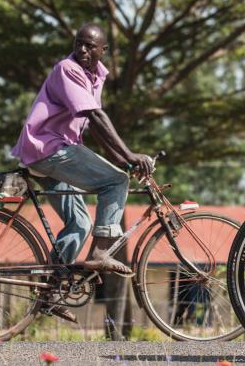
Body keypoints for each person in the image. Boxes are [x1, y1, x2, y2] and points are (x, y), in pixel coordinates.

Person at [11, 23, 154, 321]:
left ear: (103, 51)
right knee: (116, 181)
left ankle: (50, 294)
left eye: (91, 46)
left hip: (51, 151)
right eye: (79, 44)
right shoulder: (68, 68)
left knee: (78, 224)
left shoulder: (97, 75)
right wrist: (127, 159)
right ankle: (101, 252)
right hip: (50, 149)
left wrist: (124, 158)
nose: (83, 50)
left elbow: (95, 127)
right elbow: (95, 115)